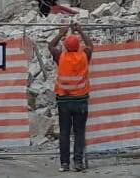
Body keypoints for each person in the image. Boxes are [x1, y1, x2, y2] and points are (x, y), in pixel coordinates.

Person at [49, 23, 93, 172]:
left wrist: (61, 33)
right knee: (80, 132)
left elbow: (50, 46)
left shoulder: (60, 56)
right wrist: (80, 30)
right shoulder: (84, 56)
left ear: (66, 47)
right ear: (78, 45)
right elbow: (91, 46)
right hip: (81, 101)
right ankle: (78, 163)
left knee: (65, 133)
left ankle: (64, 163)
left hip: (64, 101)